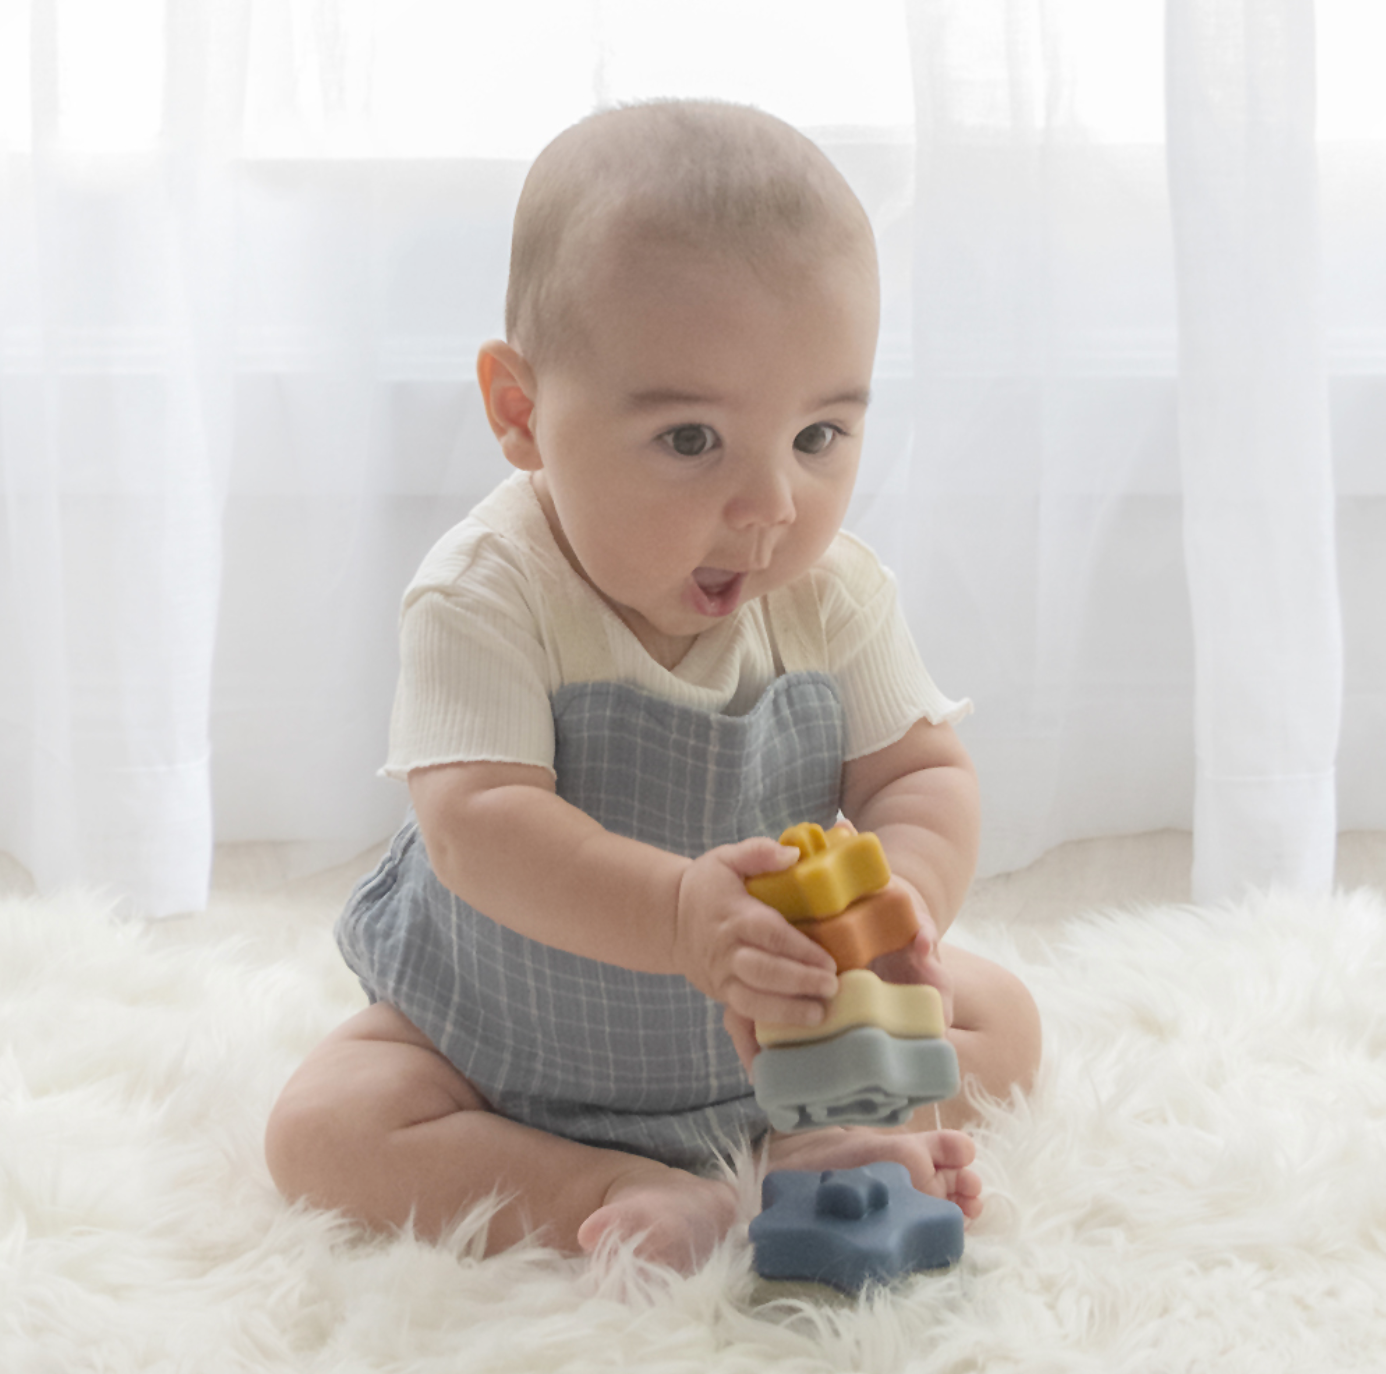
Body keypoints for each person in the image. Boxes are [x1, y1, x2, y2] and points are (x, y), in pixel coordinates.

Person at [265, 99, 1041, 1272]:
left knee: (1003, 1023)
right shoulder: (487, 594)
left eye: (820, 437)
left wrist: (905, 910)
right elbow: (479, 825)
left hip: (776, 1030)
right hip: (512, 1036)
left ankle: (825, 1139)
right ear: (522, 413)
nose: (772, 507)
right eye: (692, 440)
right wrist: (682, 915)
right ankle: (615, 1186)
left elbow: (921, 773)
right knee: (325, 1129)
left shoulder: (831, 592)